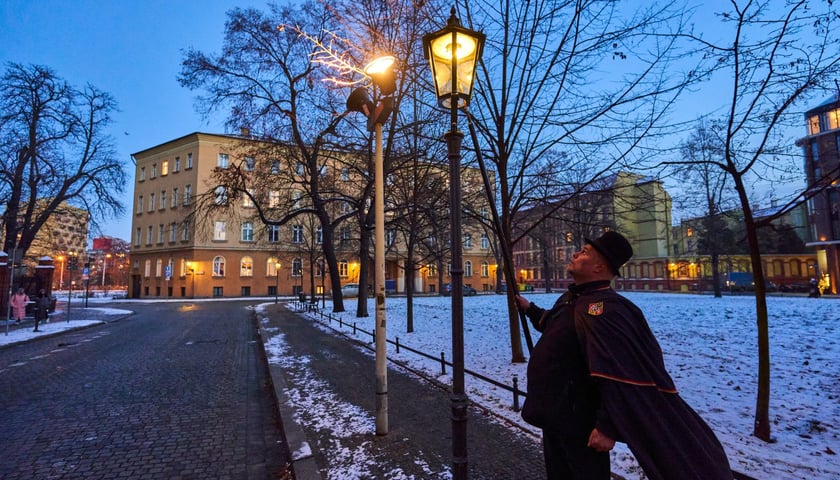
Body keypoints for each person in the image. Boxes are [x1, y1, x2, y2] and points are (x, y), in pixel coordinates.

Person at [514, 231, 732, 480]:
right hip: (556, 415)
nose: (575, 254)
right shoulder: (574, 299)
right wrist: (530, 309)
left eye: (584, 252)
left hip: (581, 423)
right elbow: (554, 326)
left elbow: (624, 373)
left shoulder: (609, 310)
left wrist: (607, 427)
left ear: (598, 267)